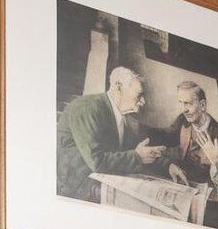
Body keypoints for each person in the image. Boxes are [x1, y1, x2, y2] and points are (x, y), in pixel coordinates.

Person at [55, 66, 168, 202]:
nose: (143, 102)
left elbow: (134, 150)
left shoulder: (122, 117)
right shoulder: (87, 108)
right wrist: (137, 156)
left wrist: (168, 165)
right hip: (74, 189)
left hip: (96, 184)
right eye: (139, 95)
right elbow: (97, 162)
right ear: (118, 87)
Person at [167, 80, 218, 187]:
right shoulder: (182, 121)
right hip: (182, 185)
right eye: (181, 103)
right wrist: (170, 164)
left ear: (202, 105)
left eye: (188, 103)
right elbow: (165, 137)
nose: (184, 110)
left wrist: (215, 160)